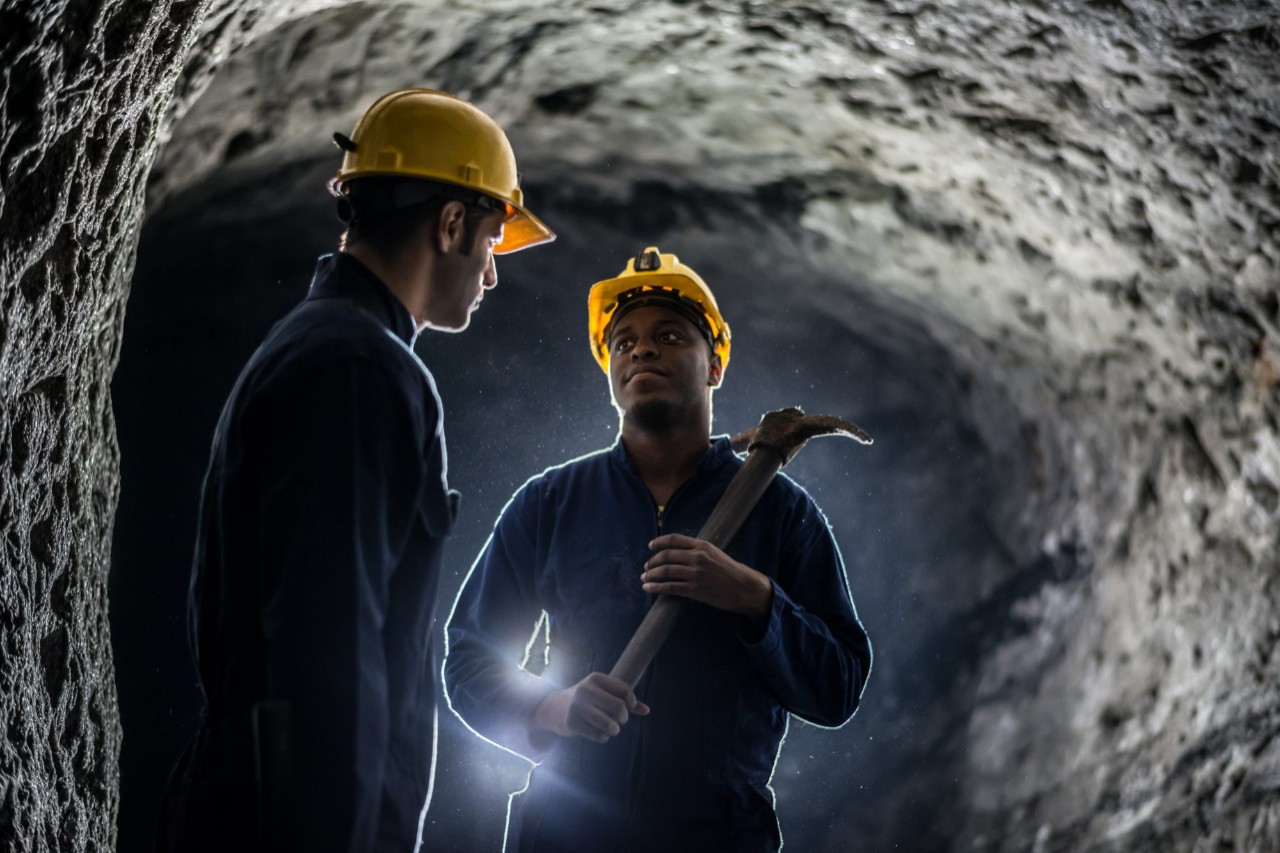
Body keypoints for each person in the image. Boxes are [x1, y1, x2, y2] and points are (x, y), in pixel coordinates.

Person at [156, 88, 554, 853]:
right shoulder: (358, 368)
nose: (493, 274)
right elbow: (333, 650)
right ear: (449, 224)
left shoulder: (324, 346)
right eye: (493, 240)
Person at [444, 246, 871, 851]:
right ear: (610, 373)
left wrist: (754, 598)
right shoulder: (550, 504)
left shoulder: (781, 513)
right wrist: (551, 707)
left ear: (714, 366)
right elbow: (468, 661)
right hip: (564, 833)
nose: (641, 348)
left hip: (717, 837)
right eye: (623, 342)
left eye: (670, 335)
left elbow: (839, 689)